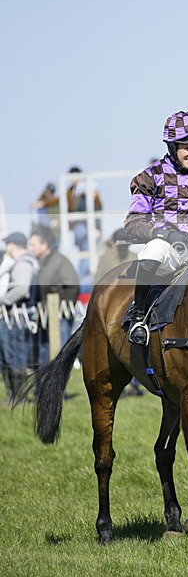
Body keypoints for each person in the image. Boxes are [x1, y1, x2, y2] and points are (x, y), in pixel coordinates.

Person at [123, 111, 188, 344]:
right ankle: (138, 315)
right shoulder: (149, 177)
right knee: (154, 250)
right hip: (169, 251)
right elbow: (133, 223)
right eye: (187, 148)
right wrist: (163, 233)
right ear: (172, 146)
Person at [28, 225, 80, 366]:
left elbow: (73, 286)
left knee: (59, 356)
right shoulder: (39, 264)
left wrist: (60, 307)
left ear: (44, 245)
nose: (30, 248)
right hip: (45, 315)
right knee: (44, 355)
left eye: (33, 244)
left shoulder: (60, 262)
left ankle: (56, 387)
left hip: (60, 316)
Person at [0, 233, 39, 404]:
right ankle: (13, 396)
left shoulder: (23, 263)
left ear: (13, 245)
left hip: (15, 318)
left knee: (14, 358)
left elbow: (21, 290)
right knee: (9, 357)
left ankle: (19, 398)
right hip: (13, 317)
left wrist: (2, 300)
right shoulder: (22, 263)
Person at [67, 166, 103, 280]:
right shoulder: (71, 191)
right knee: (84, 253)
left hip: (88, 225)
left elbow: (97, 208)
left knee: (87, 255)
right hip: (80, 225)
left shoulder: (88, 187)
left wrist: (97, 228)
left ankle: (83, 281)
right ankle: (83, 280)